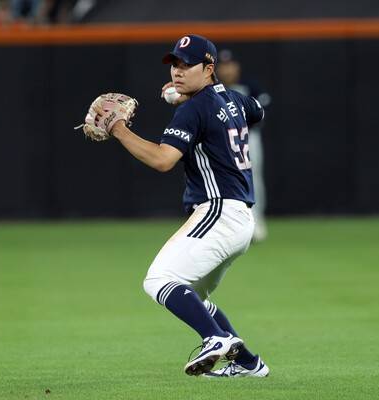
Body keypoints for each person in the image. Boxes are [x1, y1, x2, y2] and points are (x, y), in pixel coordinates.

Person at [95, 34, 270, 377]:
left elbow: (163, 160)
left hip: (218, 212)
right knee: (194, 298)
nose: (177, 70)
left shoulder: (193, 109)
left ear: (208, 68)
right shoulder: (234, 98)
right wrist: (188, 96)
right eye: (174, 63)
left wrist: (118, 129)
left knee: (159, 279)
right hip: (240, 219)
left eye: (187, 65)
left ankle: (215, 339)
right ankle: (248, 363)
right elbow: (256, 111)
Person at [216, 49, 271, 242]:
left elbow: (262, 111)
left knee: (253, 179)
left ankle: (256, 221)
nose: (227, 70)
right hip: (220, 139)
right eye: (223, 66)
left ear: (237, 66)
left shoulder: (249, 86)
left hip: (248, 137)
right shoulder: (212, 89)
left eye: (230, 65)